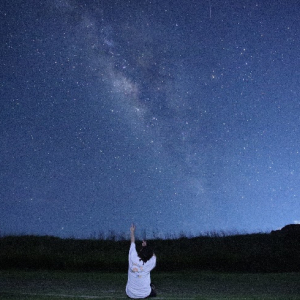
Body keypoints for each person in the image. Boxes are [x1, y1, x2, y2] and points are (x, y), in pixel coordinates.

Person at [126, 224, 157, 299]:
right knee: (152, 288)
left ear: (140, 252)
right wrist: (147, 246)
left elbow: (132, 243)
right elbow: (154, 256)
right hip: (144, 294)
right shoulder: (149, 263)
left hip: (130, 293)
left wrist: (132, 232)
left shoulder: (133, 257)